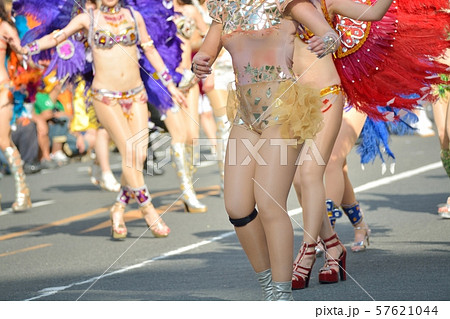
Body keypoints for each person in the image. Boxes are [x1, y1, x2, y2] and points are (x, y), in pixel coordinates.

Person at [291, 0, 449, 290]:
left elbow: (376, 15)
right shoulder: (276, 5)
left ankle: (318, 250)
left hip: (354, 88)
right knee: (316, 174)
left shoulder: (330, 2)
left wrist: (330, 38)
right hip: (299, 96)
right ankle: (348, 231)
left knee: (332, 161)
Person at [193, 0, 339, 300]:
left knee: (270, 201)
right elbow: (206, 52)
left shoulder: (287, 3)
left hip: (283, 109)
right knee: (237, 207)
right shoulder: (225, 8)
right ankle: (268, 286)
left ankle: (281, 295)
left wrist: (327, 40)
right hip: (246, 115)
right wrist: (200, 62)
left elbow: (329, 33)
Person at [12, 0, 187, 239]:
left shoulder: (134, 16)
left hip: (136, 94)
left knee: (139, 156)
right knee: (129, 153)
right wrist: (27, 48)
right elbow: (56, 38)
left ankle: (118, 209)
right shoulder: (88, 18)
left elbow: (150, 50)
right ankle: (149, 210)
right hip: (105, 96)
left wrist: (169, 85)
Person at [0, 0, 32, 212]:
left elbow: (25, 55)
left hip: (2, 90)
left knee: (3, 140)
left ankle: (23, 192)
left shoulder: (5, 26)